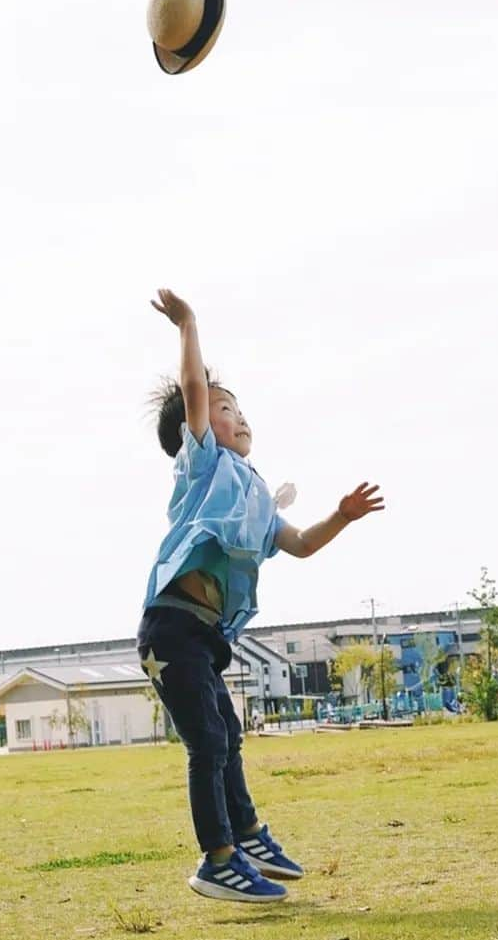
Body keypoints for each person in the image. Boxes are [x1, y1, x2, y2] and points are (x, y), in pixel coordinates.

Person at [138, 289, 384, 903]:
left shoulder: (253, 496)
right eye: (225, 408)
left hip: (203, 635)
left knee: (228, 733)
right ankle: (216, 860)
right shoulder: (204, 469)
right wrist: (188, 326)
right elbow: (193, 389)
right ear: (197, 428)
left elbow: (299, 543)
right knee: (208, 743)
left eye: (240, 408)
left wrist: (341, 515)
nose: (238, 416)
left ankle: (246, 834)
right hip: (170, 627)